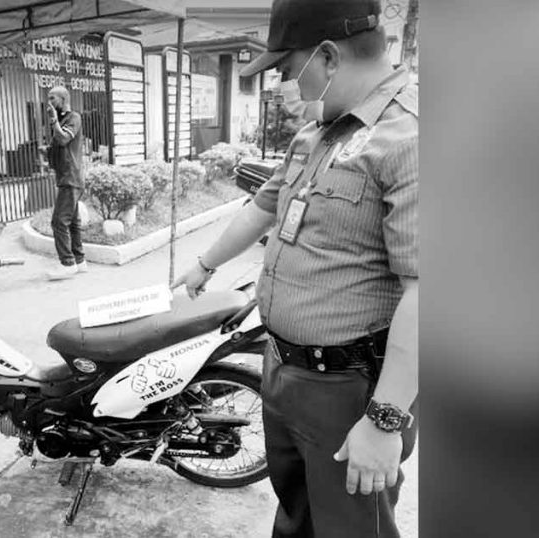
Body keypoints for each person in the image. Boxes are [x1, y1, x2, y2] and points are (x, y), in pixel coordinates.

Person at [172, 0, 418, 536]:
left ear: (328, 58)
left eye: (289, 68)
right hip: (282, 368)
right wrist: (204, 264)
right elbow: (264, 204)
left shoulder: (411, 138)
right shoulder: (318, 132)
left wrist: (385, 421)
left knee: (351, 527)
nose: (285, 82)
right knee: (297, 516)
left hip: (349, 389)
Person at [44, 86, 88, 280]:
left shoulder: (73, 118)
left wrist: (54, 120)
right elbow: (60, 147)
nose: (49, 103)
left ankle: (67, 263)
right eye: (48, 99)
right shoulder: (62, 121)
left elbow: (63, 139)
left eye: (52, 98)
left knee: (58, 221)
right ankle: (79, 261)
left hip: (71, 177)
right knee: (72, 223)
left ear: (63, 99)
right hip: (66, 177)